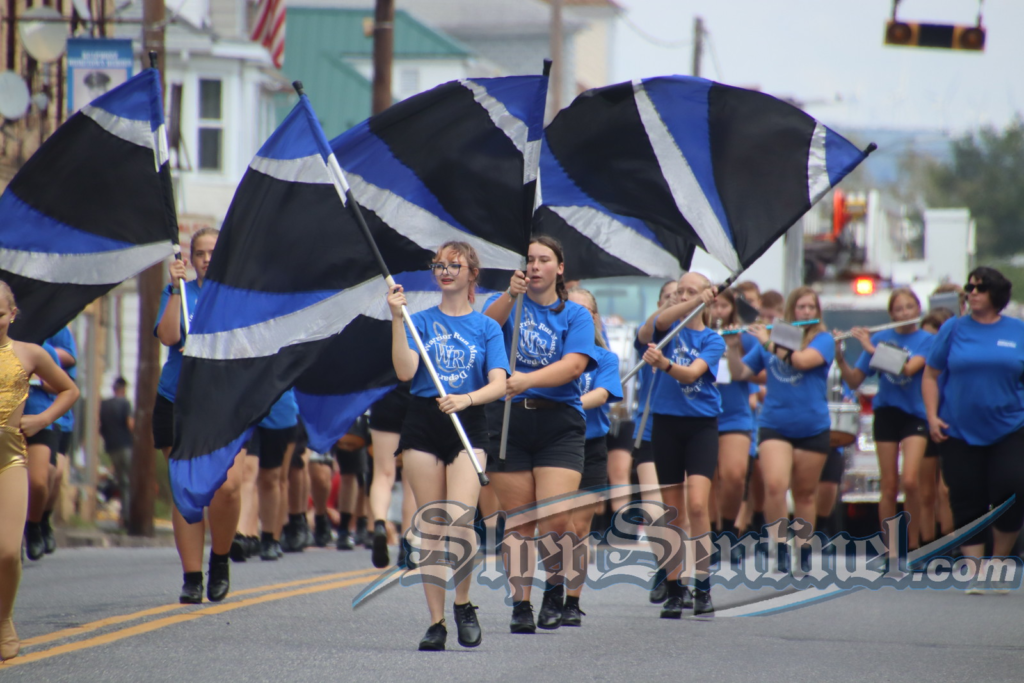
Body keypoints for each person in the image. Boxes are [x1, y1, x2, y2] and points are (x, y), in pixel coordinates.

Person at [389, 241, 509, 651]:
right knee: (432, 526)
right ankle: (436, 622)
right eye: (438, 264)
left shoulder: (486, 327)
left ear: (472, 273)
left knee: (460, 520)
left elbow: (498, 384)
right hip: (424, 419)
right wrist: (396, 318)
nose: (444, 270)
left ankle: (463, 602)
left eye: (454, 265)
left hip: (467, 421)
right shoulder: (419, 320)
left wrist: (467, 399)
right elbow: (405, 371)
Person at [484, 235, 596, 634]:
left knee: (555, 516)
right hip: (509, 421)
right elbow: (483, 329)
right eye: (529, 259)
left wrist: (527, 380)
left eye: (543, 259)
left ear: (559, 268)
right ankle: (520, 604)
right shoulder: (508, 302)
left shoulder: (575, 314)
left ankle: (554, 589)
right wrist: (508, 296)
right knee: (519, 521)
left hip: (559, 422)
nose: (534, 266)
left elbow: (574, 366)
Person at [154, 227, 244, 604]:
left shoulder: (239, 296)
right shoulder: (179, 291)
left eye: (213, 253)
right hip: (177, 401)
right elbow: (167, 336)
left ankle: (219, 559)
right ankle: (192, 577)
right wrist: (175, 289)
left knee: (228, 487)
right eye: (201, 253)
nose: (207, 259)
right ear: (191, 259)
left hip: (223, 404)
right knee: (185, 489)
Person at [923, 267, 1024, 594]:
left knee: (1012, 490)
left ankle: (999, 562)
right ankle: (975, 570)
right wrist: (931, 416)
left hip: (1010, 426)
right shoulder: (953, 328)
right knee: (966, 497)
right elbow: (930, 374)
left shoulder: (1017, 330)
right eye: (970, 287)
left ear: (996, 294)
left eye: (980, 288)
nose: (972, 292)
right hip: (958, 428)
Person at [725, 286, 834, 572]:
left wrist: (767, 341)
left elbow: (801, 361)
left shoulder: (823, 340)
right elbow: (740, 373)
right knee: (775, 485)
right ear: (791, 311)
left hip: (812, 425)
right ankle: (781, 546)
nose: (806, 312)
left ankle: (804, 550)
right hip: (775, 424)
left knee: (805, 494)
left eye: (811, 307)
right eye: (801, 307)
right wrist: (733, 346)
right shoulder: (777, 335)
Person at [0, 281, 78, 661]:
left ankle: (3, 620)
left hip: (9, 459)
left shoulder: (29, 353)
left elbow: (69, 390)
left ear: (12, 315)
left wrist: (42, 419)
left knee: (7, 553)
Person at [640, 272, 723, 617]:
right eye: (680, 291)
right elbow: (650, 328)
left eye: (692, 291)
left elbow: (691, 374)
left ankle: (703, 585)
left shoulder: (712, 339)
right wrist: (681, 303)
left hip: (701, 426)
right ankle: (675, 588)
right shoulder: (666, 330)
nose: (684, 296)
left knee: (698, 506)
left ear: (707, 297)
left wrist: (665, 364)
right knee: (673, 511)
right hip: (666, 424)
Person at [833, 289, 932, 549]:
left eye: (909, 307)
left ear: (918, 309)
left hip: (915, 415)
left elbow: (908, 368)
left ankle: (914, 546)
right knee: (888, 486)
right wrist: (840, 356)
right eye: (899, 309)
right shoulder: (881, 338)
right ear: (892, 314)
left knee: (910, 480)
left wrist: (870, 347)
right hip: (887, 413)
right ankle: (891, 550)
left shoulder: (926, 340)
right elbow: (854, 380)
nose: (905, 313)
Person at [563, 287, 622, 626]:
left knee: (578, 528)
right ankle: (551, 593)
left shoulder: (605, 357)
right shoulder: (551, 355)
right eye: (570, 309)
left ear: (595, 318)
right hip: (555, 445)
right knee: (558, 525)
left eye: (585, 311)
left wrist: (564, 405)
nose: (578, 316)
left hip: (590, 445)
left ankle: (572, 600)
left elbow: (600, 395)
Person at [631, 281, 676, 605]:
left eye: (682, 297)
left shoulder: (697, 337)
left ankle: (681, 572)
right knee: (653, 503)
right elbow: (646, 331)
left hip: (686, 428)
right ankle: (664, 565)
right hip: (649, 427)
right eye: (669, 298)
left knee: (680, 507)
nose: (676, 302)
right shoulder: (650, 334)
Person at [709, 289, 760, 545]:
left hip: (735, 414)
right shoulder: (698, 334)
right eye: (714, 305)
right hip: (703, 414)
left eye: (724, 306)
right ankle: (710, 532)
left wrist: (733, 347)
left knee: (735, 476)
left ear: (733, 308)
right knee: (707, 480)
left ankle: (728, 529)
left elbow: (749, 373)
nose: (719, 311)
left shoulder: (744, 337)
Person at [21, 341, 65, 561]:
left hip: (38, 419)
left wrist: (34, 378)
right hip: (7, 420)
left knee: (39, 481)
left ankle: (34, 524)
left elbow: (62, 387)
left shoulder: (44, 350)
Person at [918, 308, 956, 549]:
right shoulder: (920, 360)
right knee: (925, 491)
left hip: (950, 421)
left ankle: (950, 541)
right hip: (921, 421)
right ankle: (926, 544)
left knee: (946, 489)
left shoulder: (955, 360)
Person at [42, 325, 77, 555]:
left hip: (58, 417)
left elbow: (70, 357)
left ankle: (42, 519)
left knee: (55, 473)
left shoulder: (56, 326)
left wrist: (40, 354)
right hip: (20, 414)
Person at [100, 377, 134, 526]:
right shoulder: (125, 403)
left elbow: (100, 427)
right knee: (130, 482)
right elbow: (130, 423)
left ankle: (124, 515)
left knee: (122, 482)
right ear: (124, 389)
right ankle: (128, 516)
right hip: (126, 446)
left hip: (112, 447)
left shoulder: (104, 405)